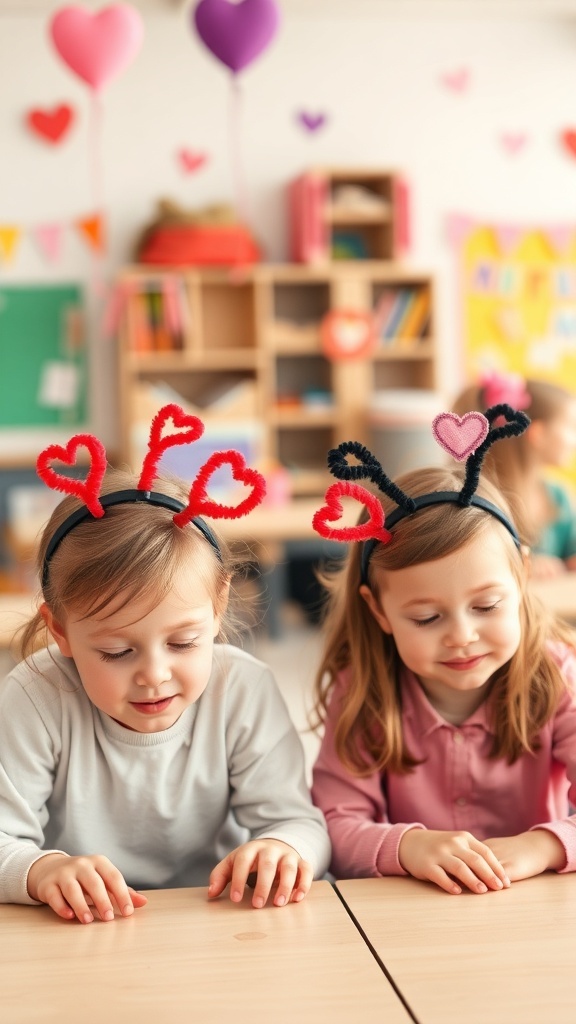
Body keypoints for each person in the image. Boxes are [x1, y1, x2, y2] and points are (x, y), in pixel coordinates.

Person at [0, 404, 330, 923]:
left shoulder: (242, 688)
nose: (154, 673)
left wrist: (285, 848)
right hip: (83, 929)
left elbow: (299, 822)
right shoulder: (35, 696)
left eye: (183, 643)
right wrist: (41, 870)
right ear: (60, 630)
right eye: (116, 652)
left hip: (218, 919)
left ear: (219, 607)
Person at [309, 403, 576, 893]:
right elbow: (334, 828)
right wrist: (409, 847)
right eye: (427, 618)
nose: (461, 636)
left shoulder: (560, 676)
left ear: (521, 576)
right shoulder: (362, 691)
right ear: (379, 611)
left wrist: (543, 846)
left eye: (487, 606)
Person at [452, 373, 576, 579]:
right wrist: (523, 565)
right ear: (538, 433)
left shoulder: (557, 496)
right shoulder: (474, 502)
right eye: (571, 427)